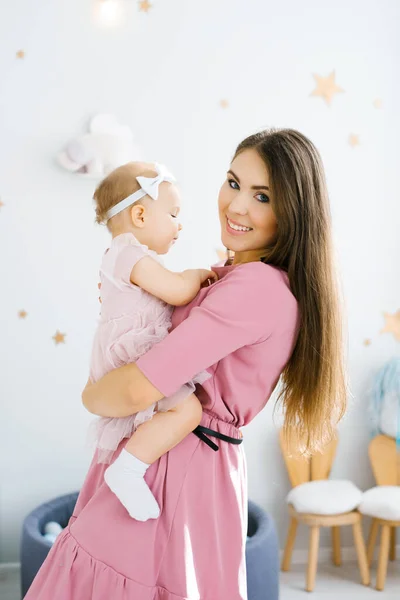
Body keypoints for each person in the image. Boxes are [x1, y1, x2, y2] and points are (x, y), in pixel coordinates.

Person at [25, 128, 347, 600]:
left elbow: (141, 386)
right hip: (167, 452)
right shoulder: (238, 276)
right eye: (234, 183)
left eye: (261, 196)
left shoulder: (256, 287)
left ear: (292, 211)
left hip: (177, 463)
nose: (237, 206)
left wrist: (93, 394)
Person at [87, 161, 217, 522]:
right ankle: (128, 469)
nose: (180, 224)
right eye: (174, 214)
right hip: (131, 353)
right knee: (187, 410)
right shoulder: (129, 254)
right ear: (141, 215)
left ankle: (131, 465)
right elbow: (176, 292)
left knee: (177, 409)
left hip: (126, 351)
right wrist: (193, 275)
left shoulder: (123, 257)